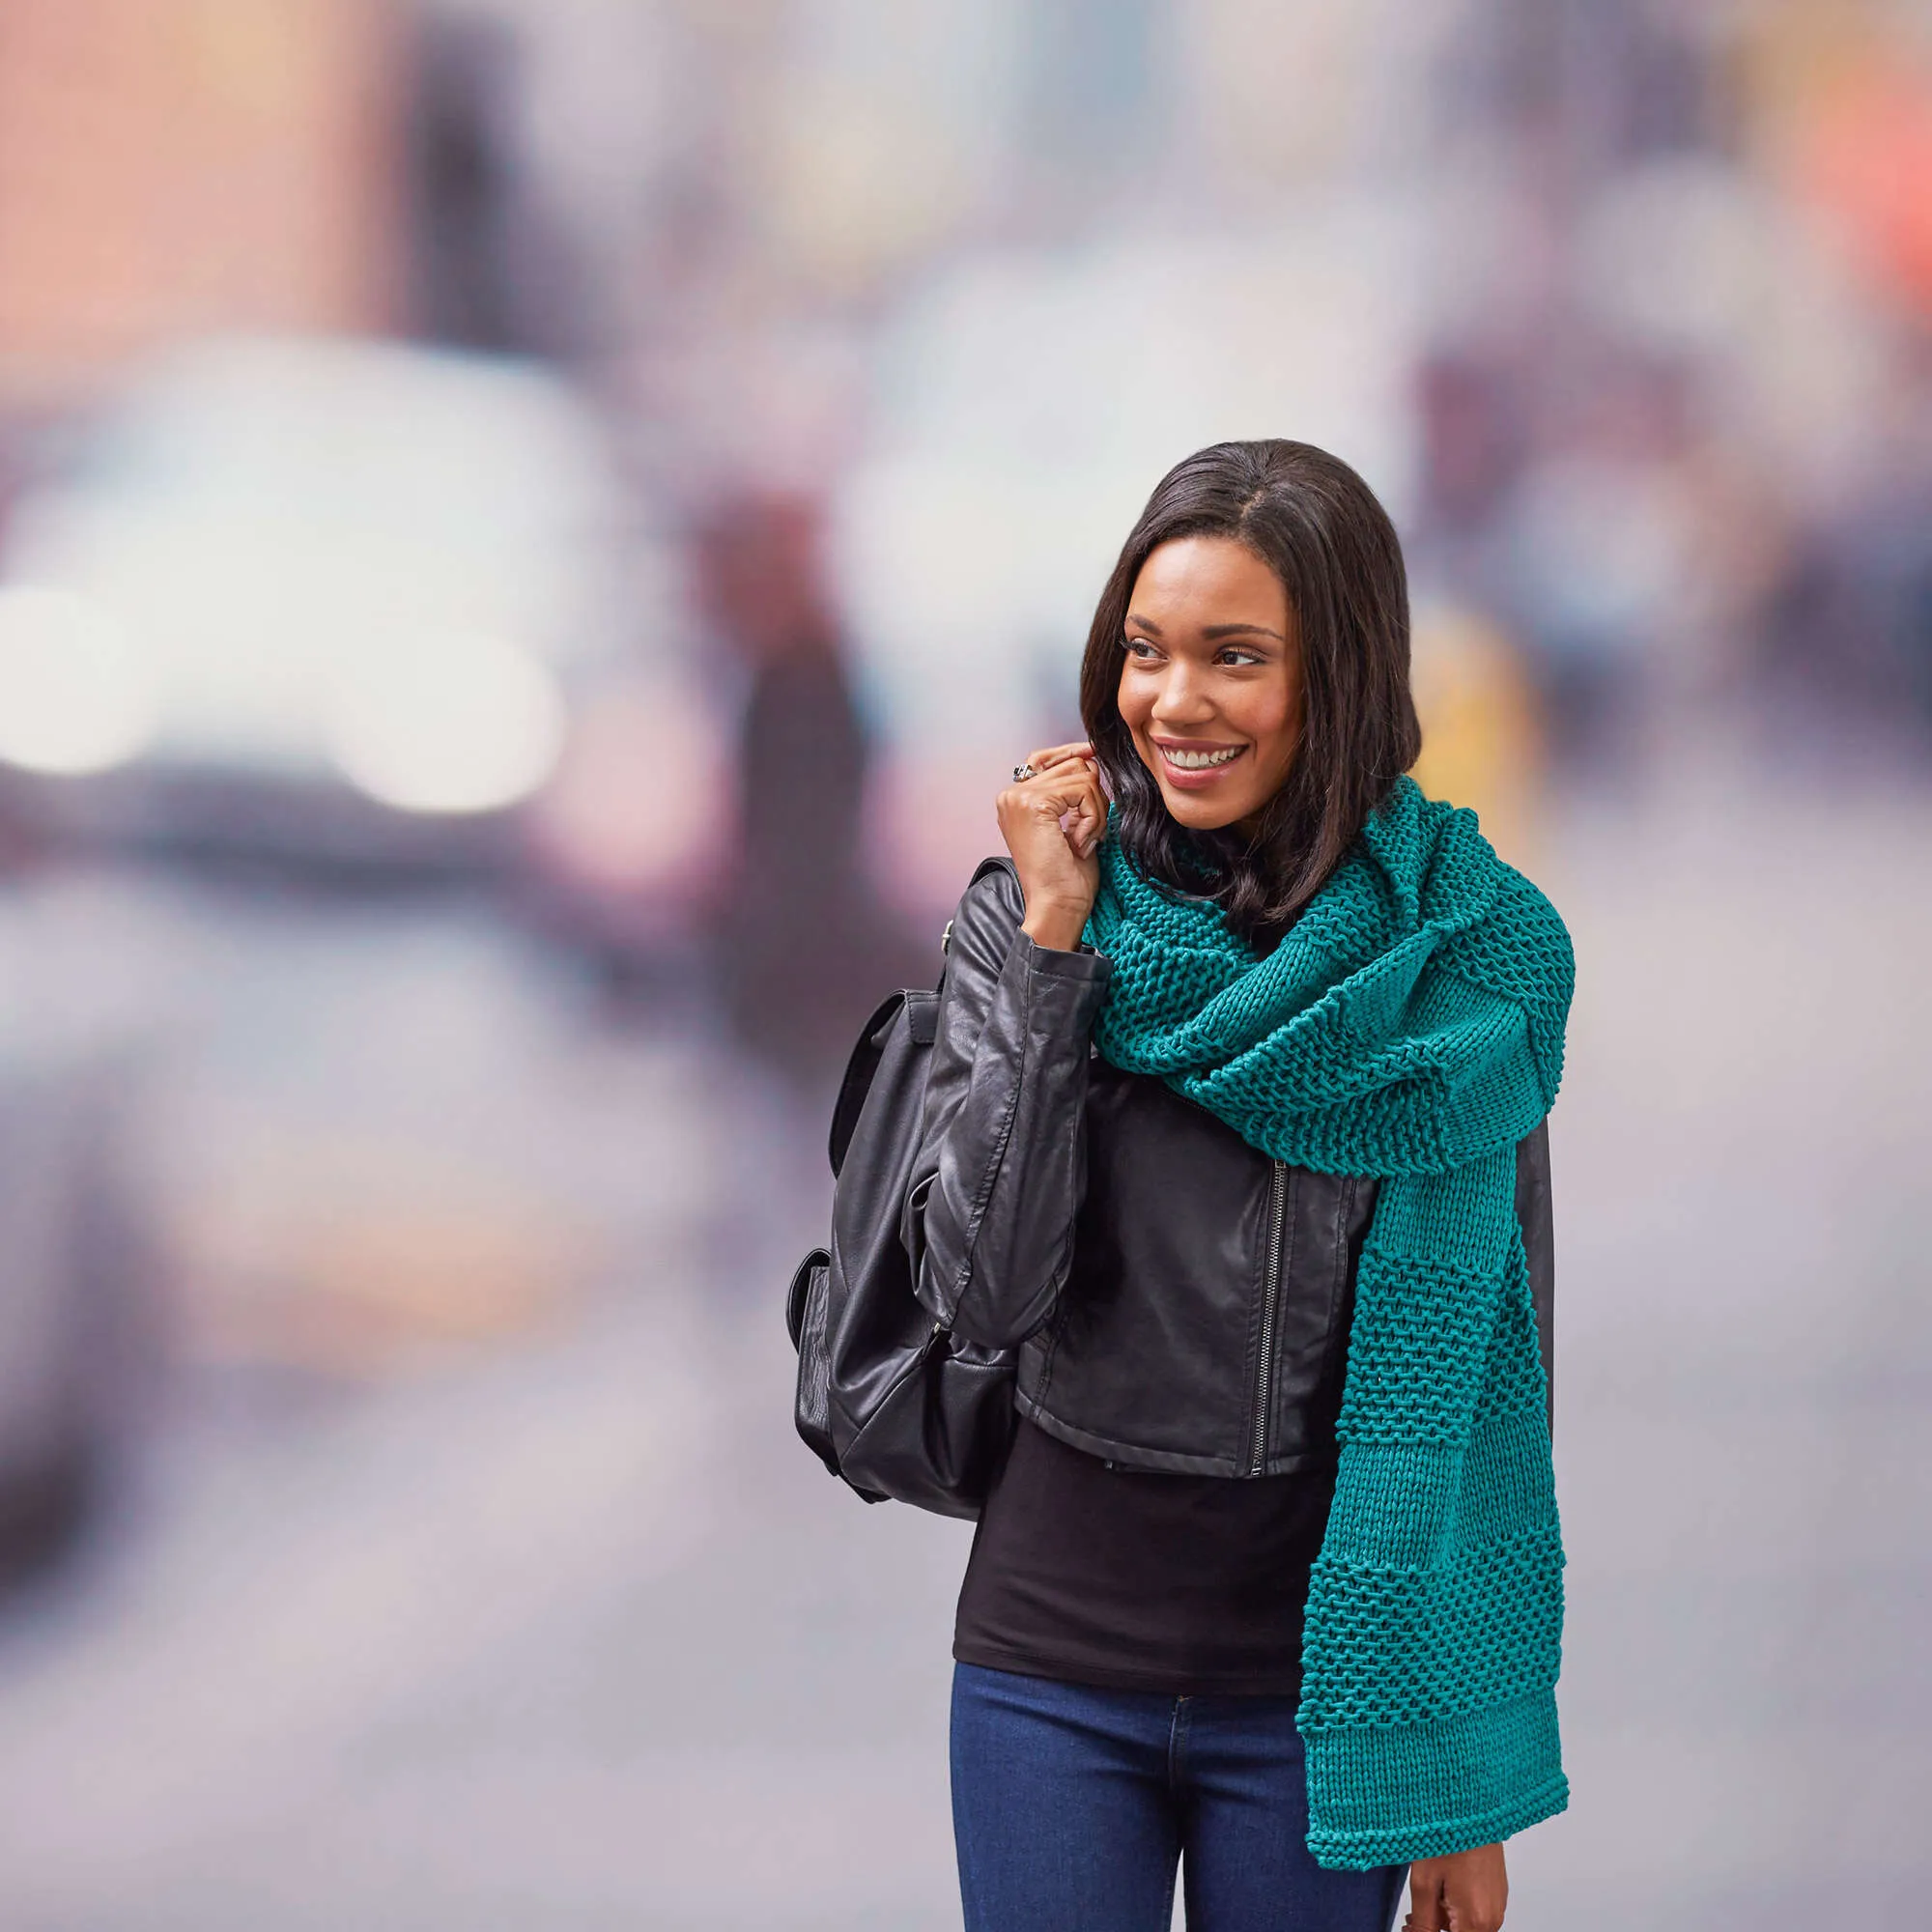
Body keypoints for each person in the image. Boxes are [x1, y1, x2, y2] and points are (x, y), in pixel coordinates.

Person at [903, 440, 1573, 1932]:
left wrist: (1459, 1778)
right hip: (1049, 1675)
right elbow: (981, 1290)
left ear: (1336, 676)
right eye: (1144, 652)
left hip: (1322, 1706)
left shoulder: (1464, 969)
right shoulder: (1037, 924)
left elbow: (1489, 1390)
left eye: (1234, 657)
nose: (1174, 701)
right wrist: (1059, 960)